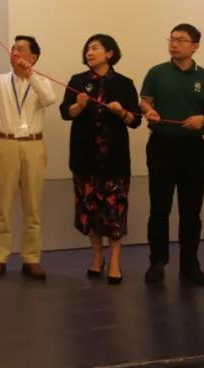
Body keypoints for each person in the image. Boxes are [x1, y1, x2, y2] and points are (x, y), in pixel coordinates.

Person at [140, 23, 204, 287]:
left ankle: (190, 266)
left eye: (181, 40)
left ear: (195, 46)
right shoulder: (157, 72)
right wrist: (149, 111)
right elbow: (145, 101)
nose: (174, 44)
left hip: (193, 148)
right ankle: (157, 262)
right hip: (162, 145)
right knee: (159, 208)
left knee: (191, 211)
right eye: (172, 39)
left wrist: (203, 119)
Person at [59, 34, 141, 285]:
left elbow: (135, 121)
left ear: (110, 53)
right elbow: (65, 112)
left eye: (95, 48)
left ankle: (115, 259)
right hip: (85, 158)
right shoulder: (78, 81)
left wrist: (121, 112)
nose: (89, 52)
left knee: (114, 211)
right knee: (90, 210)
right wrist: (79, 106)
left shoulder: (124, 83)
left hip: (114, 160)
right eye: (87, 49)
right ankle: (97, 257)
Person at [0, 35, 57, 280]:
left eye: (20, 49)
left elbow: (49, 99)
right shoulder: (0, 81)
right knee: (2, 205)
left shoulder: (41, 81)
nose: (15, 52)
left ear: (33, 57)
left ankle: (31, 258)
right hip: (6, 144)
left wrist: (30, 74)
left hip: (33, 145)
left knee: (33, 207)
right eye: (13, 49)